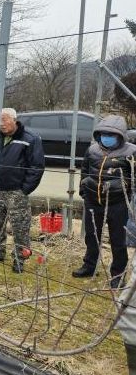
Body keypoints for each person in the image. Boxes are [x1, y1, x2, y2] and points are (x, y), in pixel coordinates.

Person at [72, 115, 136, 288]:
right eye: (104, 134)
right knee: (92, 236)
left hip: (118, 204)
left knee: (118, 241)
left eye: (111, 134)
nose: (106, 137)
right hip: (93, 202)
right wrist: (84, 189)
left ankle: (118, 275)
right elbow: (85, 170)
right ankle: (89, 266)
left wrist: (124, 188)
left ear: (120, 135)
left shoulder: (131, 152)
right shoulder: (92, 150)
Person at [0, 108, 44, 273]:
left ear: (14, 120)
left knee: (20, 227)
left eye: (4, 120)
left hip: (16, 192)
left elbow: (37, 166)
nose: (1, 124)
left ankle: (20, 258)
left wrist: (24, 189)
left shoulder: (30, 138)